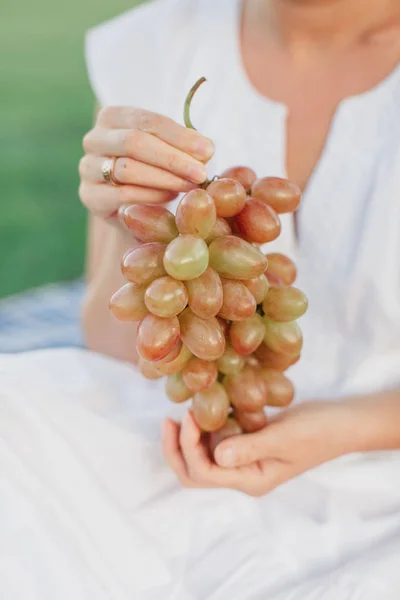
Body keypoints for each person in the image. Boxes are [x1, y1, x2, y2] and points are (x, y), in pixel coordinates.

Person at [79, 0, 400, 495]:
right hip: (177, 455)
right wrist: (129, 228)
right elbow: (114, 346)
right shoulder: (153, 43)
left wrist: (351, 428)